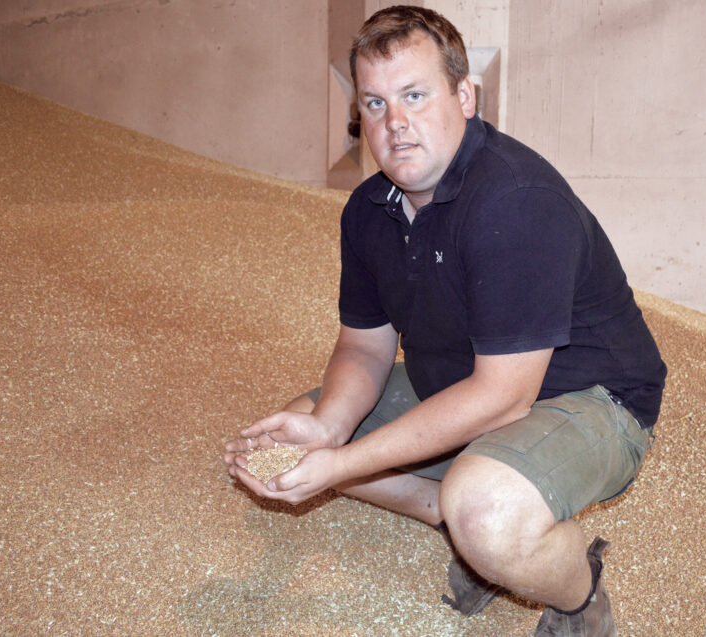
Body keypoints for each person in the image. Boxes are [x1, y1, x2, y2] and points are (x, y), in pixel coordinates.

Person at [224, 6, 666, 635]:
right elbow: (364, 347)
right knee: (298, 438)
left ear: (465, 96)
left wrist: (343, 465)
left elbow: (503, 399)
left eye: (414, 95)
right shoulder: (369, 210)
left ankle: (577, 593)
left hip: (591, 395)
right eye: (374, 104)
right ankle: (456, 522)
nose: (394, 124)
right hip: (464, 376)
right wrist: (328, 426)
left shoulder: (515, 201)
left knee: (487, 509)